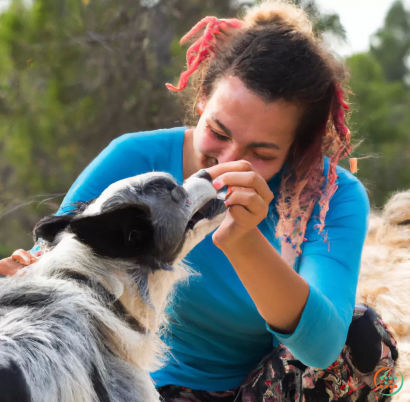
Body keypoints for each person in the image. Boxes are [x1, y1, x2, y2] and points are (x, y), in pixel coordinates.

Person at [0, 1, 398, 401]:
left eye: (262, 153)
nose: (229, 163)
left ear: (297, 147)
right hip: (139, 385)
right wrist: (20, 270)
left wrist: (242, 242)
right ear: (202, 100)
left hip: (267, 390)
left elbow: (322, 348)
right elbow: (57, 259)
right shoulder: (134, 160)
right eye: (219, 132)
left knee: (364, 337)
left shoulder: (331, 198)